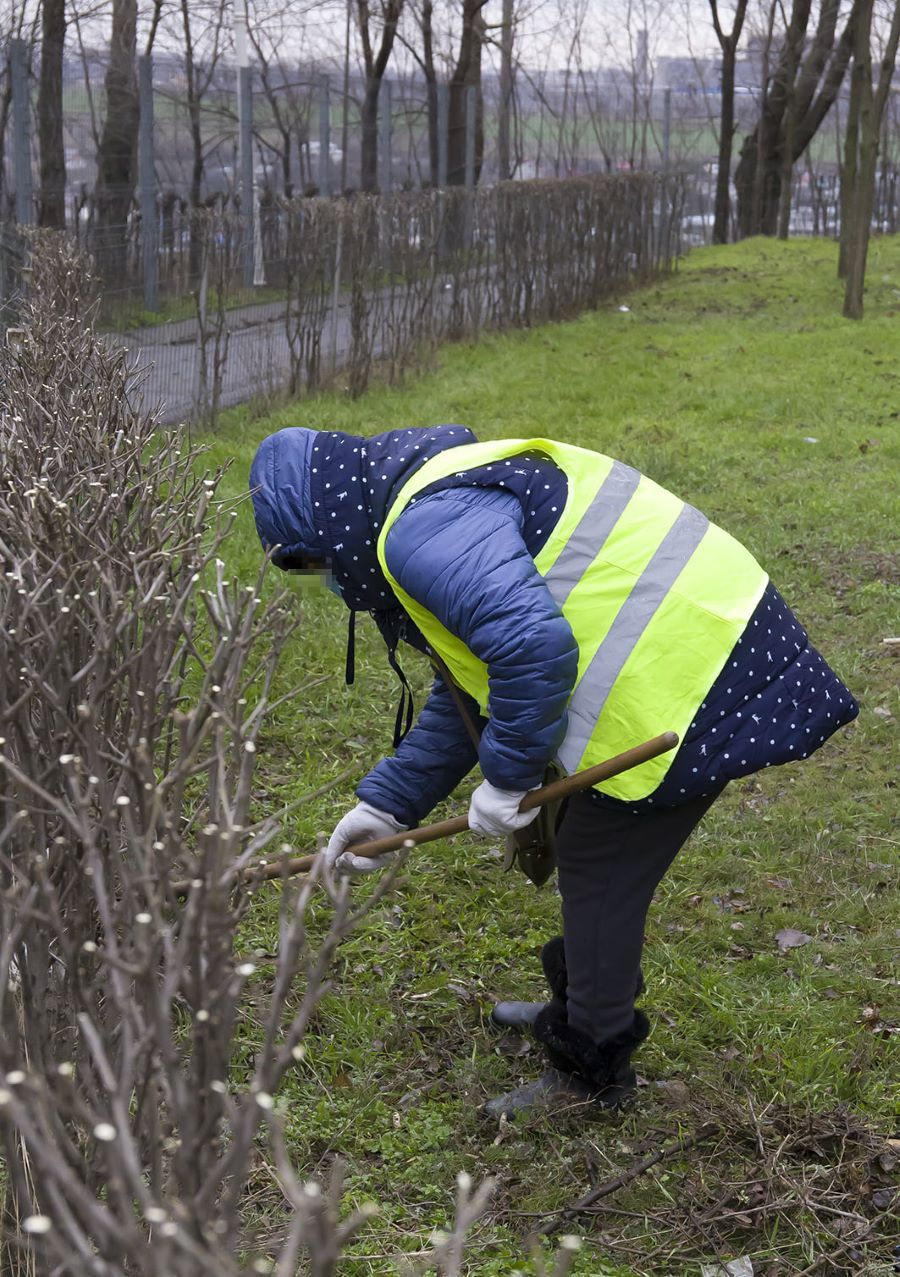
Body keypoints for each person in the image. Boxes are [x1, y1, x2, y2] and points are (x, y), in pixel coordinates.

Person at [250, 423, 858, 1117]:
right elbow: (474, 684)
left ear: (326, 525)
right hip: (707, 634)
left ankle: (590, 1069)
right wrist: (389, 806)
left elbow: (531, 648)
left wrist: (507, 778)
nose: (324, 581)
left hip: (696, 671)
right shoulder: (426, 495)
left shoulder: (420, 535)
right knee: (591, 857)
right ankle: (584, 998)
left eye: (307, 564)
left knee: (599, 861)